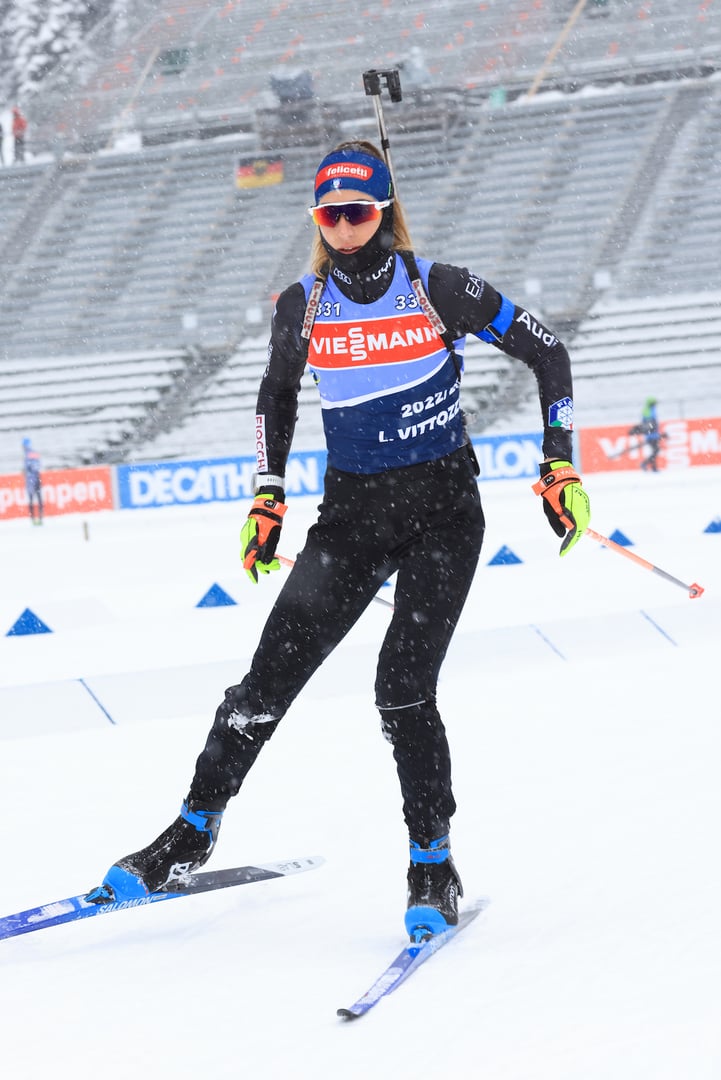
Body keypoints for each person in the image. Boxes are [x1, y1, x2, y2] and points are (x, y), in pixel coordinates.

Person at [93, 140, 591, 941]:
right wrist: (266, 495)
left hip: (442, 515)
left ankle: (432, 862)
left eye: (358, 212)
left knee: (401, 689)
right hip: (352, 518)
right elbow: (275, 396)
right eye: (330, 214)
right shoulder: (304, 304)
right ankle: (191, 831)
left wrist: (558, 462)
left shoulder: (441, 288)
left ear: (383, 210)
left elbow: (548, 351)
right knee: (263, 686)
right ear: (317, 220)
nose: (345, 227)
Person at [629, 396, 667, 472]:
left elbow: (649, 423)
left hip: (653, 434)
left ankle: (652, 466)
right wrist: (652, 429)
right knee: (655, 450)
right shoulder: (648, 410)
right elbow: (649, 423)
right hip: (651, 435)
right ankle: (647, 465)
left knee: (655, 451)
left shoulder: (649, 409)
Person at [22, 437, 43, 524]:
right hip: (37, 477)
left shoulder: (27, 454)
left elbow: (28, 467)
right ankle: (40, 518)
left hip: (31, 479)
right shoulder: (34, 453)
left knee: (31, 499)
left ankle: (33, 519)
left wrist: (26, 472)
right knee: (39, 499)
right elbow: (38, 465)